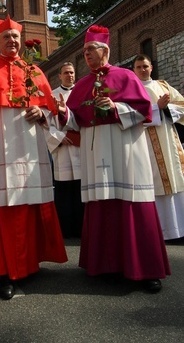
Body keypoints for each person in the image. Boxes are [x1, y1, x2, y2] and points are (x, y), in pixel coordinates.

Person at [55, 25, 170, 293]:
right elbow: (75, 120)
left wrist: (117, 107)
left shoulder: (127, 77)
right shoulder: (82, 85)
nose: (86, 55)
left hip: (126, 148)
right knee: (102, 205)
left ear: (105, 50)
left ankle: (145, 269)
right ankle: (104, 265)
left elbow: (144, 111)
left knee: (134, 205)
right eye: (83, 51)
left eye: (90, 50)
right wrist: (62, 112)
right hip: (96, 154)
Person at [0, 16, 67, 300]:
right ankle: (7, 271)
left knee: (32, 206)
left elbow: (51, 111)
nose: (12, 40)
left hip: (31, 150)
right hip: (0, 151)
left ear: (22, 41)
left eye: (16, 37)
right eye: (6, 36)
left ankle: (30, 263)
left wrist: (43, 113)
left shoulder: (34, 71)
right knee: (6, 211)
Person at [133, 54, 184, 240]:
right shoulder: (133, 89)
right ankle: (159, 230)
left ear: (151, 67)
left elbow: (182, 105)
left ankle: (179, 230)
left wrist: (167, 109)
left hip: (169, 141)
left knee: (175, 177)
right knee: (154, 182)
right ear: (134, 70)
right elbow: (132, 115)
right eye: (138, 67)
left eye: (145, 66)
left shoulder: (163, 85)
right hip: (146, 143)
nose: (142, 70)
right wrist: (158, 108)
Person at [45, 62, 84, 238]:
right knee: (65, 189)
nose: (69, 75)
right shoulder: (52, 96)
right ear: (59, 76)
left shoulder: (83, 92)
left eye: (71, 72)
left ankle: (83, 227)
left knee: (82, 188)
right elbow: (45, 126)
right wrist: (59, 138)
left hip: (81, 147)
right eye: (65, 73)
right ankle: (66, 229)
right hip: (63, 149)